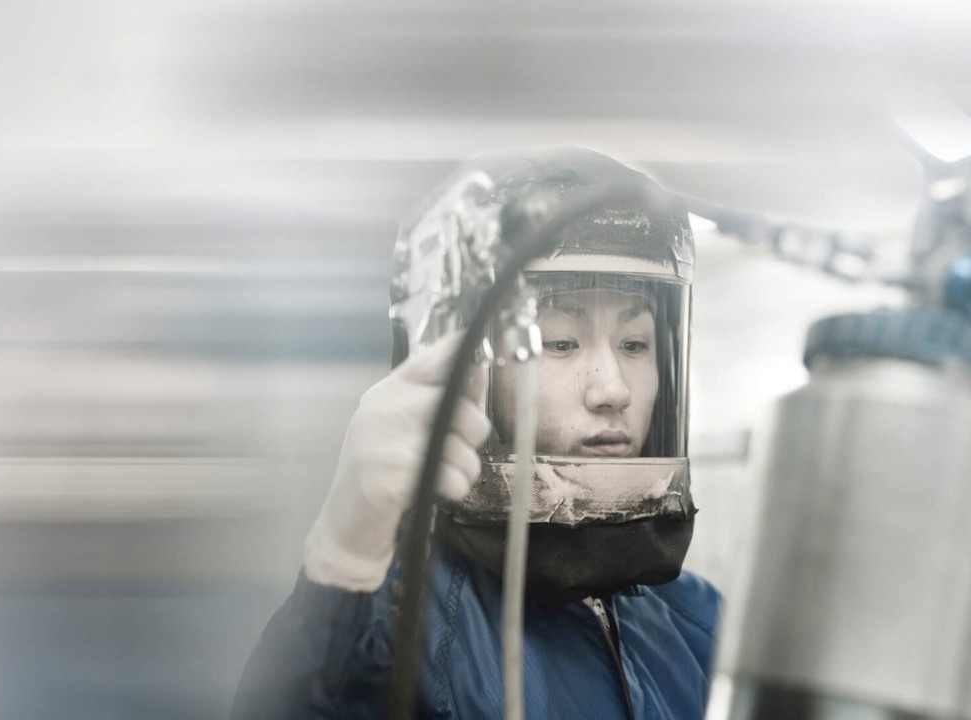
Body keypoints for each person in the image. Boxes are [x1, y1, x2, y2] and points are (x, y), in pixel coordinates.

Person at [231, 148, 720, 719]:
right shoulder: (396, 630)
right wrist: (341, 566)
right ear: (460, 364)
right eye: (559, 342)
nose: (612, 389)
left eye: (635, 344)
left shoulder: (696, 619)